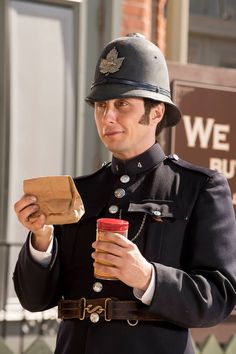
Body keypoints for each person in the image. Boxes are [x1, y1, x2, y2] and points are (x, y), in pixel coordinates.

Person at [13, 33, 236, 354]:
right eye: (101, 105)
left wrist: (147, 277)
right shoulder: (80, 191)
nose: (108, 117)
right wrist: (41, 242)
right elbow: (34, 300)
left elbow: (218, 298)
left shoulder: (199, 187)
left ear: (156, 112)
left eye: (122, 104)